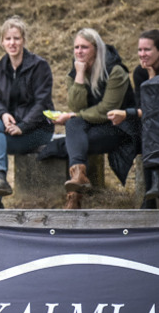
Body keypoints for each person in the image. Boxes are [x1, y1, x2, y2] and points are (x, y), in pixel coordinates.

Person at [49, 28, 138, 209]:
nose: (79, 52)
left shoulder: (115, 71)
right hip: (90, 127)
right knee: (74, 124)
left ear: (96, 49)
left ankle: (74, 196)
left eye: (84, 47)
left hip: (119, 127)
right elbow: (76, 107)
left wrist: (76, 115)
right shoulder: (75, 72)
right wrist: (80, 76)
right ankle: (78, 179)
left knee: (73, 139)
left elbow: (107, 109)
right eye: (76, 47)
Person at [0, 16, 55, 209]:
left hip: (37, 131)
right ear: (1, 42)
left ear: (23, 40)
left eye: (16, 38)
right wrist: (3, 114)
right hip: (10, 127)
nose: (12, 43)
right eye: (8, 39)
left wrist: (23, 127)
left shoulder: (40, 66)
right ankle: (0, 180)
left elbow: (43, 104)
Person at [107, 29, 159, 207]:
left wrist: (127, 114)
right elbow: (144, 107)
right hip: (153, 126)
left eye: (147, 50)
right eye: (139, 50)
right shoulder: (140, 72)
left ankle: (151, 196)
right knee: (147, 129)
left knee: (151, 127)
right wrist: (150, 77)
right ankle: (152, 189)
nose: (142, 54)